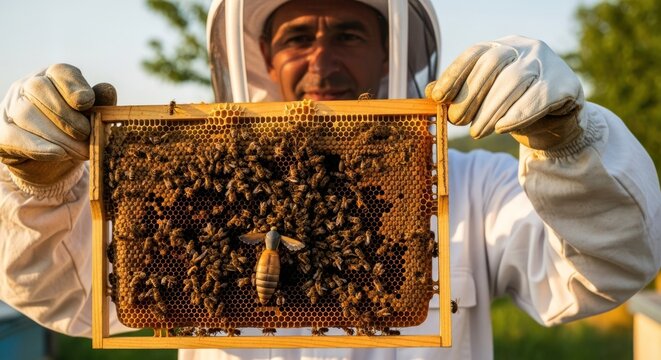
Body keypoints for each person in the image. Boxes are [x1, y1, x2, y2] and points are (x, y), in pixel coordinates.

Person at [0, 0, 659, 359]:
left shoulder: (472, 185)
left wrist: (568, 145)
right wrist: (38, 187)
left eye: (347, 33)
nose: (321, 58)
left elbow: (605, 267)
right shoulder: (184, 190)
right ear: (263, 58)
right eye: (297, 36)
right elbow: (65, 297)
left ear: (387, 51)